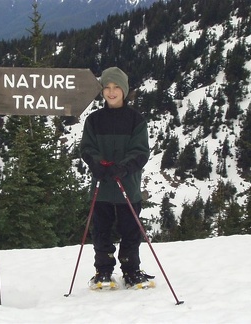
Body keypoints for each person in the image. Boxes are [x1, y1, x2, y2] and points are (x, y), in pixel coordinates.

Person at [80, 67, 152, 289]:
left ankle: (131, 271)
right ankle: (103, 271)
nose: (111, 92)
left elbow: (140, 151)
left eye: (116, 88)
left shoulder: (135, 120)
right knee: (101, 230)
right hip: (101, 186)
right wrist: (97, 163)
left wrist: (123, 167)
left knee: (130, 230)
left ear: (124, 90)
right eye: (107, 88)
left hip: (127, 186)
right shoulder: (94, 120)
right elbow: (87, 148)